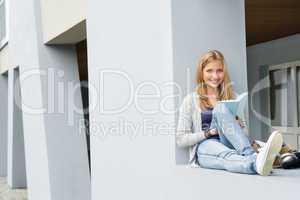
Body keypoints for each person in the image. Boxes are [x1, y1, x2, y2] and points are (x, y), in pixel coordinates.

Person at [176, 50, 283, 176]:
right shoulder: (191, 100)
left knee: (221, 109)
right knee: (226, 155)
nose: (215, 76)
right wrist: (208, 133)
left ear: (224, 72)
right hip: (206, 147)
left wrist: (238, 125)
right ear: (201, 73)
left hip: (231, 144)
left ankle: (253, 157)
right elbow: (181, 139)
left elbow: (244, 134)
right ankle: (256, 160)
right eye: (209, 71)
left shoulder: (234, 97)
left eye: (219, 71)